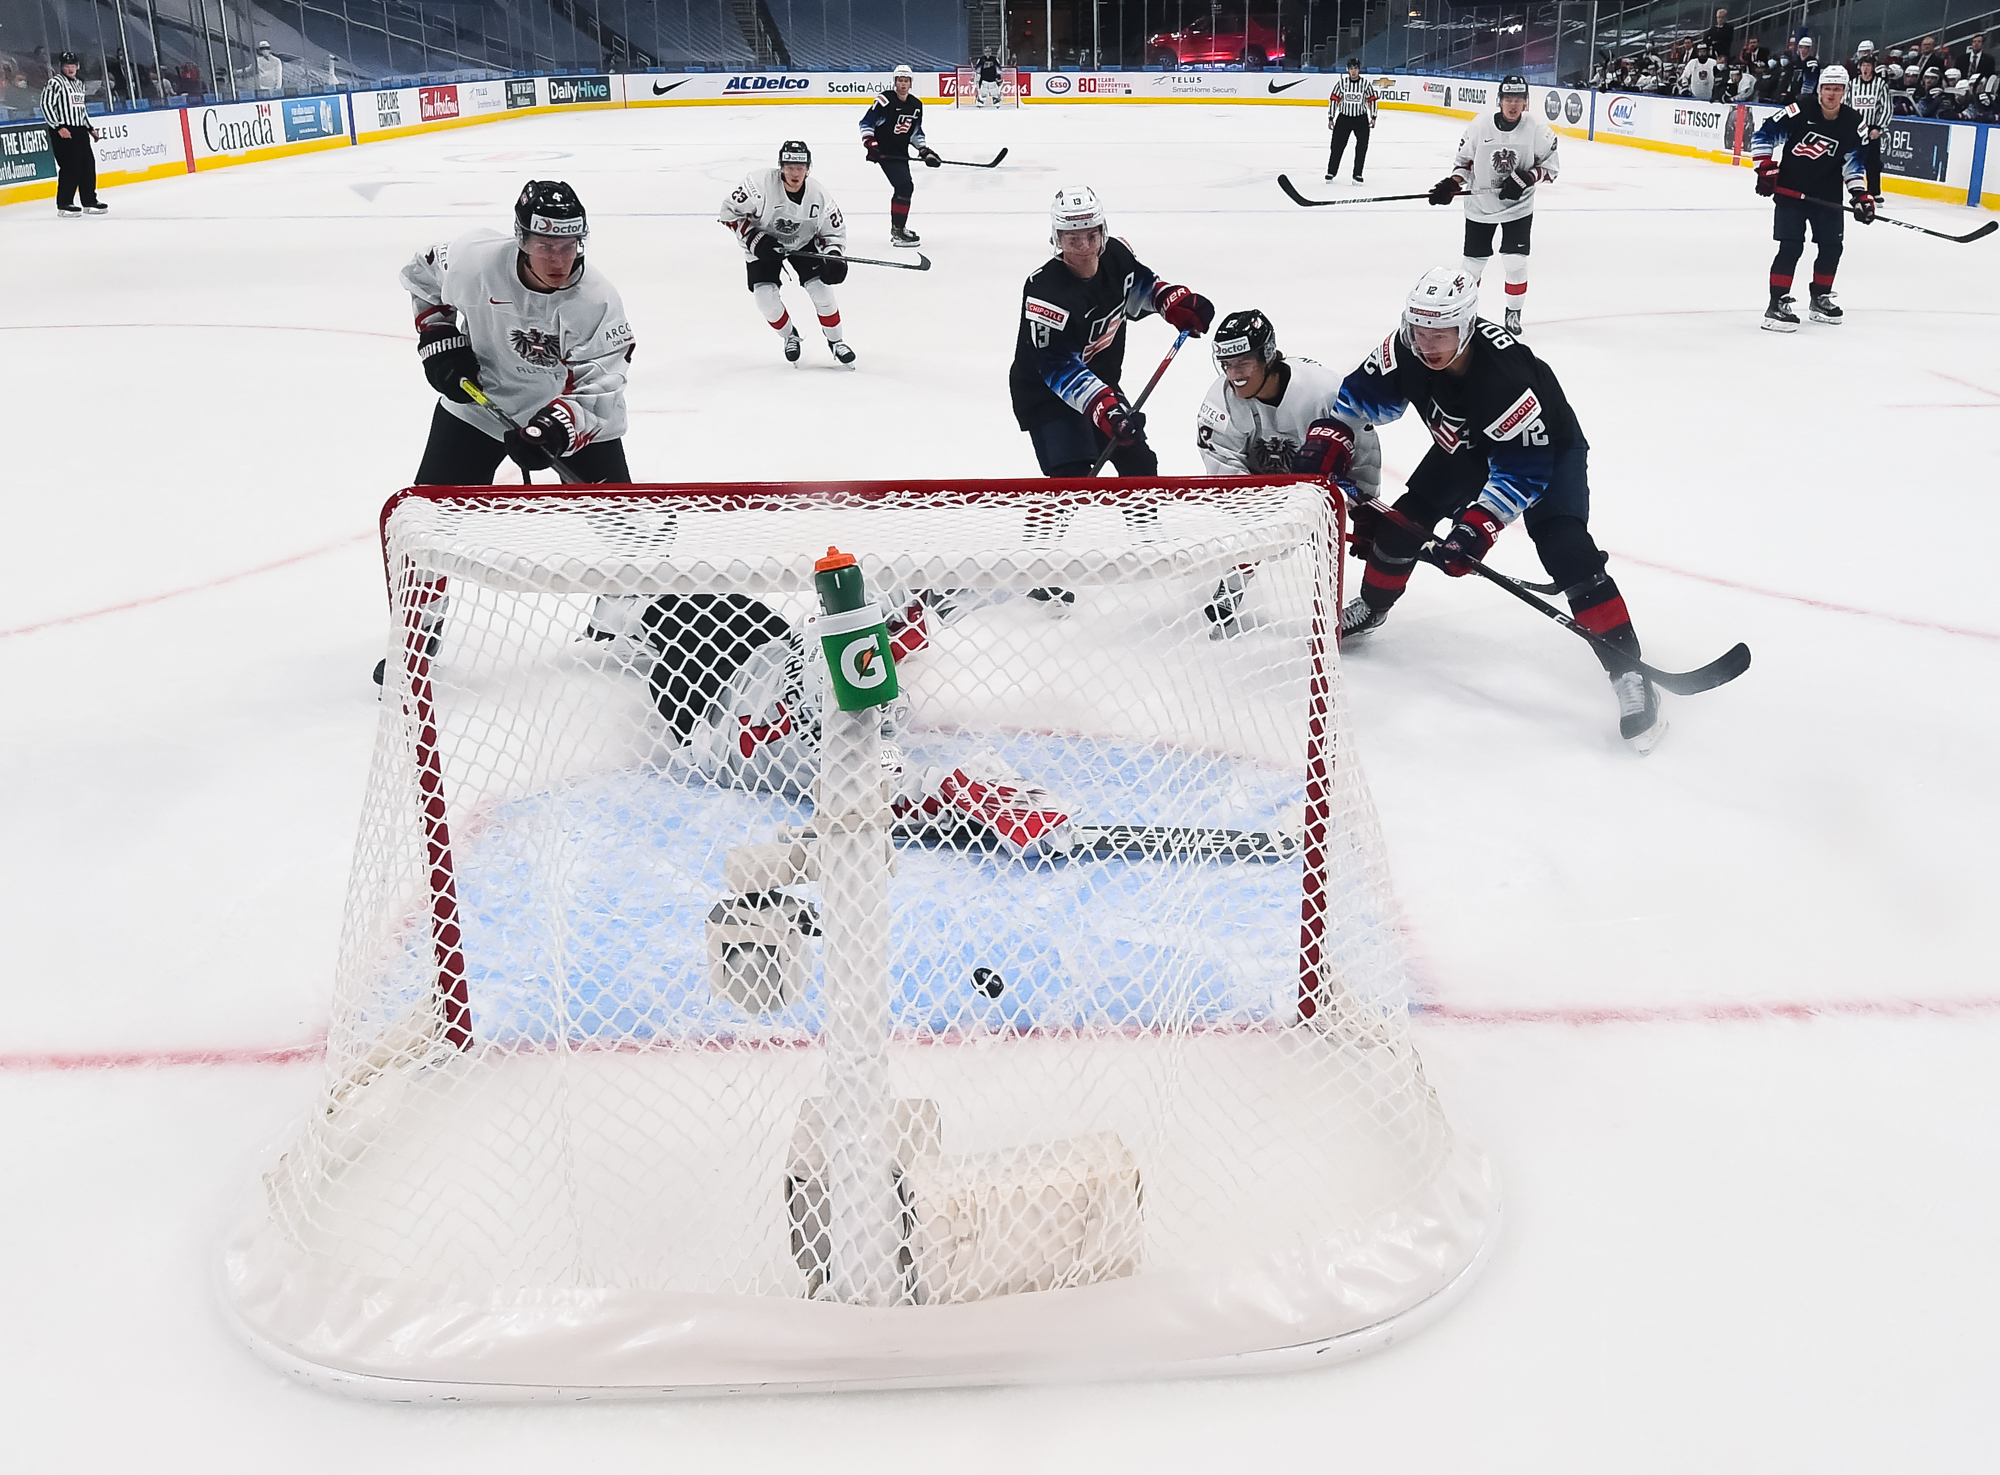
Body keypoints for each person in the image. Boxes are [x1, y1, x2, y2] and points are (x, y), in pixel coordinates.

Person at [1320, 267, 1666, 752]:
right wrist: (1331, 437)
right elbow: (1357, 399)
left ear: (1465, 328)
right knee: (1400, 529)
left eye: (1439, 334)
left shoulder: (1505, 377)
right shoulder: (1404, 347)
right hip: (1464, 448)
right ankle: (1373, 608)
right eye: (1419, 331)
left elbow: (1522, 471)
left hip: (1546, 452)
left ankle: (1629, 671)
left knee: (1567, 550)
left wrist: (1475, 530)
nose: (1426, 344)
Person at [380, 181, 636, 685]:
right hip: (476, 409)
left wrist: (555, 429)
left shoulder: (597, 300)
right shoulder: (472, 259)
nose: (558, 259)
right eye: (545, 245)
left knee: (624, 525)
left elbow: (602, 387)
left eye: (569, 245)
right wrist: (439, 337)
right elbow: (420, 275)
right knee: (427, 524)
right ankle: (416, 636)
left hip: (566, 412)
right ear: (521, 239)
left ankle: (621, 621)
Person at [1192, 309, 1384, 635]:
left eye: (1244, 363)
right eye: (1227, 364)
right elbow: (1221, 458)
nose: (1234, 374)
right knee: (1249, 534)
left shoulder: (1324, 391)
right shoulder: (1220, 400)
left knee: (1347, 537)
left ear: (1267, 356)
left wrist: (1362, 507)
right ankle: (1234, 581)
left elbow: (1363, 448)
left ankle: (1366, 606)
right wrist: (1259, 509)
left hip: (1317, 482)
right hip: (1259, 482)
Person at [1428, 74, 1556, 337]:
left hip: (1518, 206)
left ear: (1526, 102)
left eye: (1518, 99)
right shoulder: (1480, 126)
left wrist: (1527, 177)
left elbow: (1551, 169)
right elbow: (1463, 164)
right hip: (1480, 206)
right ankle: (1465, 313)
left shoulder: (1537, 130)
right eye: (1508, 98)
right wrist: (1452, 183)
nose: (1513, 104)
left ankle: (1513, 312)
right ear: (1499, 100)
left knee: (1515, 261)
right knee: (1472, 265)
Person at [718, 139, 855, 368]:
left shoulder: (819, 195)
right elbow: (728, 213)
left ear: (808, 168)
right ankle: (790, 336)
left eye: (800, 167)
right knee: (765, 299)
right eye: (790, 167)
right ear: (781, 167)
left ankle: (836, 341)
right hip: (763, 243)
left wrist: (834, 256)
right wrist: (754, 240)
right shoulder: (758, 185)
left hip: (803, 242)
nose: (795, 173)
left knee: (822, 292)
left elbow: (834, 232)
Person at [1752, 67, 1869, 331]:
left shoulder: (1853, 122)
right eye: (1827, 88)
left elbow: (1854, 164)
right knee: (1791, 247)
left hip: (1827, 195)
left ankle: (1820, 299)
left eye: (1837, 89)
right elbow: (1763, 135)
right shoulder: (1800, 110)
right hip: (1791, 191)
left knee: (1832, 247)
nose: (1831, 94)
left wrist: (1859, 194)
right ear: (1819, 90)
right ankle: (1776, 304)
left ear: (1845, 92)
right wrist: (1765, 168)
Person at [859, 63, 938, 247]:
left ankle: (899, 229)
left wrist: (924, 150)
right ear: (895, 82)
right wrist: (871, 144)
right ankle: (898, 232)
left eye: (906, 81)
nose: (903, 84)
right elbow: (866, 123)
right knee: (904, 187)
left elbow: (915, 132)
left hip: (901, 153)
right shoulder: (885, 100)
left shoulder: (916, 105)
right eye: (900, 80)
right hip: (884, 153)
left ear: (911, 83)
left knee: (904, 188)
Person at [39, 51, 105, 217]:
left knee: (87, 165)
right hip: (63, 130)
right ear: (61, 67)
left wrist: (90, 128)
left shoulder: (79, 84)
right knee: (70, 166)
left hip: (79, 130)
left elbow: (81, 110)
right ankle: (64, 204)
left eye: (73, 65)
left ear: (78, 66)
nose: (70, 68)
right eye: (67, 65)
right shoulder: (55, 83)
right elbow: (46, 105)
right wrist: (58, 126)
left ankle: (89, 201)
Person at [1325, 58, 1377, 183]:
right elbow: (1334, 100)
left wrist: (1373, 116)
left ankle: (1357, 174)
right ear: (1348, 70)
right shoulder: (1342, 83)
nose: (1353, 71)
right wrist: (1331, 117)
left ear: (1359, 69)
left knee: (1362, 147)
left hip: (1361, 119)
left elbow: (1372, 100)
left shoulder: (1365, 84)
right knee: (1336, 146)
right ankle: (1331, 172)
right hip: (1344, 118)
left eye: (1355, 68)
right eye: (1351, 69)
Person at [1849, 51, 1891, 195]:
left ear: (1873, 67)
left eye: (1868, 65)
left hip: (1872, 128)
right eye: (1863, 65)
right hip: (1855, 127)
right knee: (1849, 158)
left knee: (1872, 162)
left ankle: (1874, 192)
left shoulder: (1880, 85)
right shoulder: (1852, 84)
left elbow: (1887, 108)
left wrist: (1878, 127)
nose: (1865, 68)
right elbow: (1847, 104)